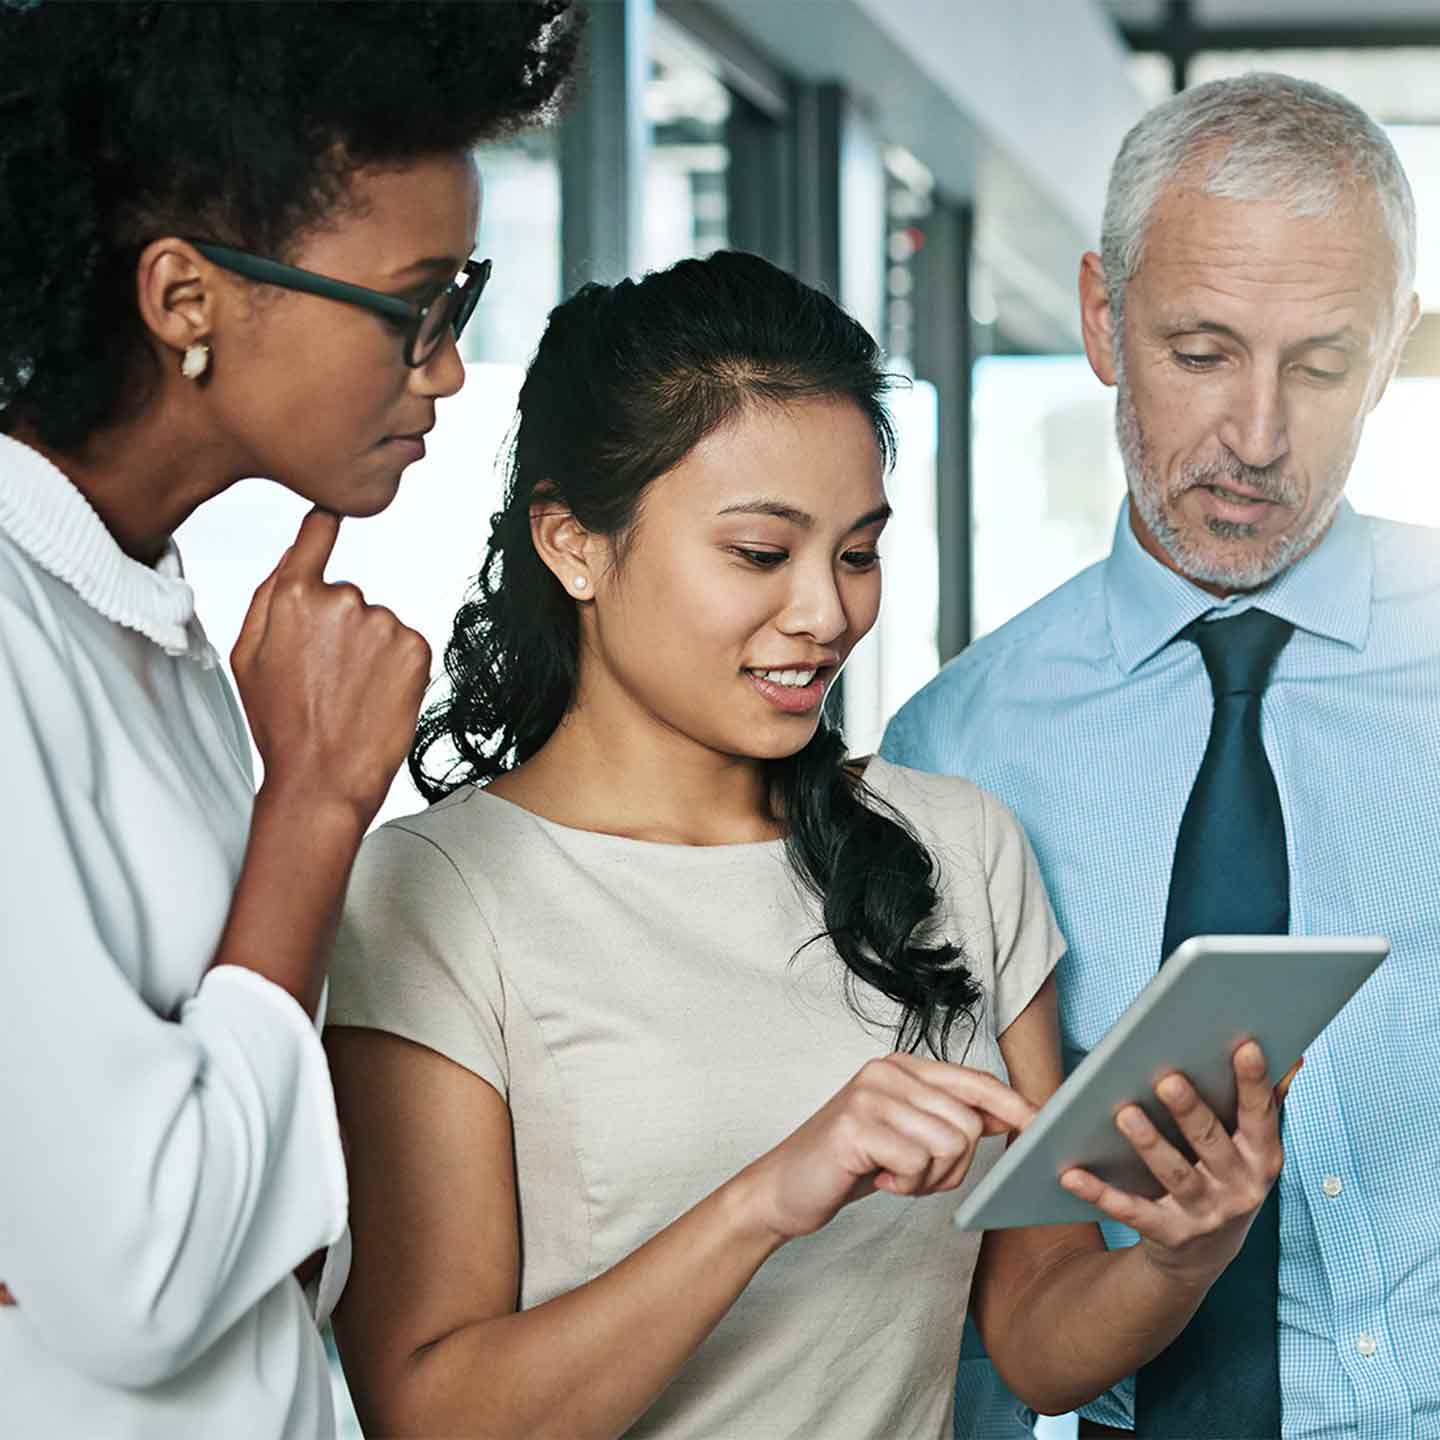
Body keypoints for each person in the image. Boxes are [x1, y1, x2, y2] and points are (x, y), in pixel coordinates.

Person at [323, 250, 1296, 1440]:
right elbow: (426, 1412)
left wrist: (1183, 1252)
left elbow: (1038, 1338)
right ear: (574, 544)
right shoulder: (436, 892)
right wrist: (766, 1201)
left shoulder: (957, 845)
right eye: (759, 554)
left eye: (856, 551)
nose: (826, 613)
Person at [0, 3, 581, 1437]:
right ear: (185, 297)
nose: (444, 365)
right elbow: (146, 1281)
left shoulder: (147, 606)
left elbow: (264, 1240)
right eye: (417, 302)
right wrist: (315, 805)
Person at [883, 73, 1439, 1440]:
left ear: (1394, 352)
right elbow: (982, 1257)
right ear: (1099, 318)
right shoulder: (958, 743)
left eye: (1319, 366)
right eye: (1201, 351)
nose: (1257, 439)